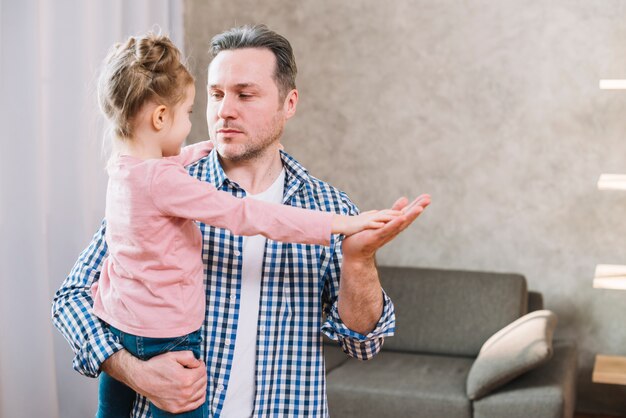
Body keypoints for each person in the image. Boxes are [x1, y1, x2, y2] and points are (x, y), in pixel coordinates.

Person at [52, 24, 431, 418]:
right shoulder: (163, 186)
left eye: (245, 95)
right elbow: (71, 297)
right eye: (215, 95)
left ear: (289, 103)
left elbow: (364, 344)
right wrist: (133, 371)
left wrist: (358, 261)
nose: (225, 110)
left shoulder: (328, 207)